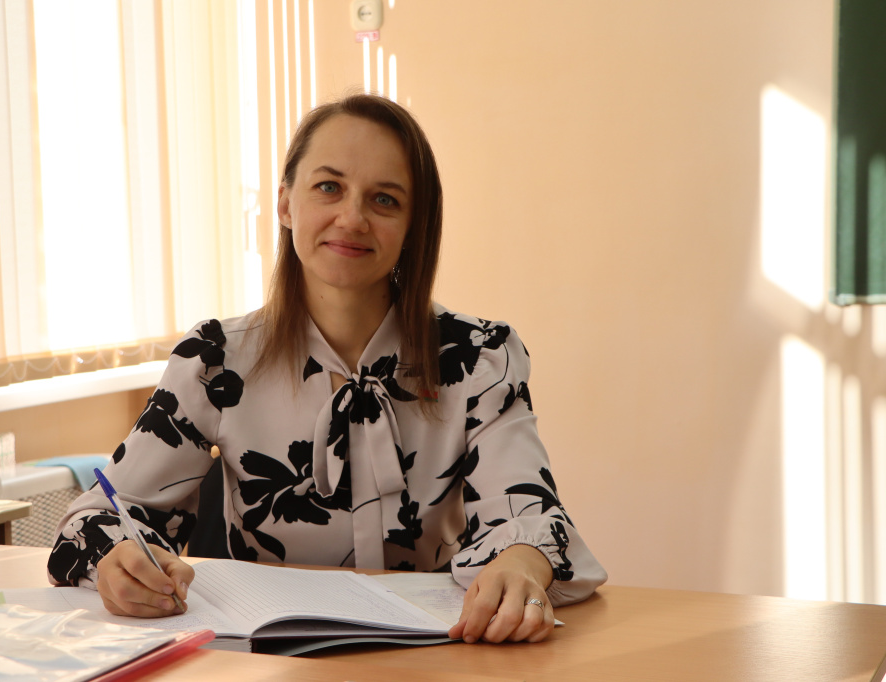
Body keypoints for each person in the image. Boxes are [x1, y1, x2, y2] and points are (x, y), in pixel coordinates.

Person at [47, 93, 607, 644]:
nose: (352, 218)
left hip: (437, 654)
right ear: (286, 204)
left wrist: (522, 561)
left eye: (384, 199)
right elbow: (102, 514)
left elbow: (530, 514)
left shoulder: (480, 356)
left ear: (414, 226)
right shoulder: (215, 359)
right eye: (329, 187)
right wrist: (119, 559)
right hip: (266, 658)